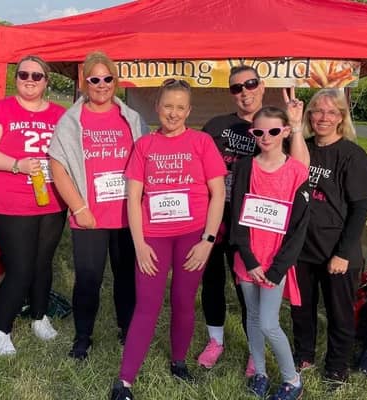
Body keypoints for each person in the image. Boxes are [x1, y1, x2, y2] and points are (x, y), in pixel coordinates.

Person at [110, 79, 226, 400]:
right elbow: (133, 198)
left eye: (179, 107)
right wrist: (140, 244)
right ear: (157, 107)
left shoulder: (201, 142)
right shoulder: (145, 145)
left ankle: (178, 363)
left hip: (192, 236)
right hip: (154, 238)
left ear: (188, 110)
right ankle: (125, 381)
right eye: (167, 106)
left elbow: (218, 194)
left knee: (183, 301)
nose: (172, 113)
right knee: (146, 306)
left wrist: (208, 240)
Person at [198, 65, 309, 375]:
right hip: (217, 217)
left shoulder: (275, 122)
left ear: (262, 87)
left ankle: (254, 347)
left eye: (250, 84)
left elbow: (300, 169)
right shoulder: (216, 126)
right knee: (212, 282)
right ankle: (216, 340)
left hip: (256, 226)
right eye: (236, 87)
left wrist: (296, 126)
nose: (244, 91)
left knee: (251, 287)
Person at [48, 51, 148, 360]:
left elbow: (145, 161)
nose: (102, 85)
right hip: (89, 216)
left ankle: (127, 329)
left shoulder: (131, 118)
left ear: (115, 81)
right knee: (88, 278)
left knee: (126, 278)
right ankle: (83, 336)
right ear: (84, 82)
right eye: (95, 79)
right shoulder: (71, 121)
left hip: (126, 214)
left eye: (107, 79)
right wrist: (79, 208)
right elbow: (58, 166)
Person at [0, 55, 67, 355]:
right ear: (16, 78)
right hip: (12, 202)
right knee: (20, 267)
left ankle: (40, 317)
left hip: (53, 200)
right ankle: (1, 330)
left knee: (43, 262)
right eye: (23, 74)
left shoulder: (60, 114)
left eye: (36, 76)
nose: (29, 79)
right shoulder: (0, 110)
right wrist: (17, 164)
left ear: (46, 81)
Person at [289, 89, 367, 383]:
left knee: (339, 313)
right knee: (301, 309)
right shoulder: (302, 147)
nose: (323, 117)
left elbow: (360, 209)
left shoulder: (352, 155)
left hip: (338, 250)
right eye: (317, 111)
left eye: (331, 112)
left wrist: (342, 253)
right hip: (302, 247)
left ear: (341, 118)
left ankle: (336, 366)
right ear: (309, 115)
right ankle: (303, 355)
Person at [230, 106, 310, 400]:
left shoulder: (298, 172)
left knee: (268, 322)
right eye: (259, 132)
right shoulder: (244, 167)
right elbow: (237, 215)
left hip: (275, 263)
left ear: (285, 132)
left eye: (273, 131)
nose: (266, 137)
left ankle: (292, 378)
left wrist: (277, 268)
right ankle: (260, 372)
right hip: (247, 260)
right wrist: (249, 260)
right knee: (252, 318)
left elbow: (299, 228)